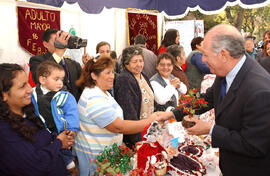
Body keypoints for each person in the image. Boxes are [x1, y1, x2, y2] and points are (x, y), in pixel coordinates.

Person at [182, 24, 270, 176]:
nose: (202, 59)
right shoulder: (226, 71)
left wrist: (210, 129)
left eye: (206, 55)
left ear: (223, 54)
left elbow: (253, 145)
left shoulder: (259, 91)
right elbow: (208, 98)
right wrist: (173, 113)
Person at [73, 56, 173, 175]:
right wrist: (150, 120)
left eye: (112, 72)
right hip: (96, 159)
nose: (112, 76)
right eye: (107, 73)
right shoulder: (93, 98)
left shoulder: (103, 92)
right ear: (94, 76)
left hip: (108, 155)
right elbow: (118, 126)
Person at [0, 63, 74, 176]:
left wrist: (63, 139)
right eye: (22, 86)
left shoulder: (28, 112)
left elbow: (45, 140)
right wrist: (59, 143)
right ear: (4, 95)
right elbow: (35, 165)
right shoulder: (4, 130)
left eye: (28, 83)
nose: (30, 89)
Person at [31, 61, 80, 174]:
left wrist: (72, 128)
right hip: (40, 129)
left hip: (58, 129)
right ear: (42, 80)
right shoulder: (32, 93)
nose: (60, 83)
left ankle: (69, 164)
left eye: (62, 79)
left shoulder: (64, 96)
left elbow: (72, 112)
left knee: (63, 148)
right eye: (56, 79)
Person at [114, 45, 155, 148]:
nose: (139, 64)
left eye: (141, 61)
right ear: (126, 63)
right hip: (136, 135)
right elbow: (128, 111)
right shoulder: (124, 79)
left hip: (147, 130)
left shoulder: (143, 75)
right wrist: (137, 140)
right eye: (135, 61)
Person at [29, 28, 82, 101]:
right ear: (45, 44)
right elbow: (39, 78)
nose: (60, 43)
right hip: (51, 106)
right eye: (56, 40)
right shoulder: (37, 60)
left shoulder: (73, 64)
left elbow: (83, 85)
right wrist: (59, 52)